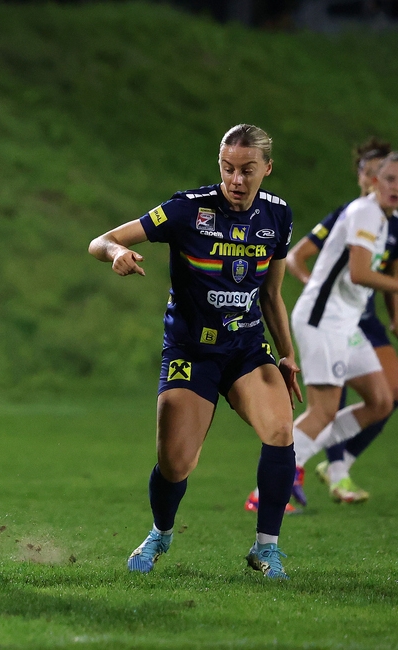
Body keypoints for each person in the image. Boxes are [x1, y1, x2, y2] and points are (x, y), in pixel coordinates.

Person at [88, 124, 301, 579]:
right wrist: (114, 255)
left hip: (246, 349)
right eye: (228, 169)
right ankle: (161, 532)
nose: (236, 180)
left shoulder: (277, 217)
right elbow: (101, 240)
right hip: (191, 350)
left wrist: (287, 355)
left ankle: (267, 548)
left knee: (281, 429)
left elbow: (272, 295)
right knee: (175, 462)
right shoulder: (187, 210)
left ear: (267, 168)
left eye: (247, 170)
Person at [277, 139, 397, 504]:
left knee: (380, 401)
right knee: (323, 411)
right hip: (324, 319)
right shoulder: (363, 213)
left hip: (349, 323)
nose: (392, 185)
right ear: (373, 180)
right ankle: (269, 487)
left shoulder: (388, 220)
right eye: (387, 178)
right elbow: (360, 273)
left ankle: (314, 463)